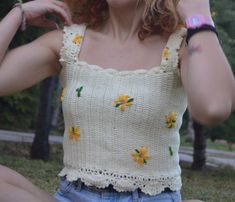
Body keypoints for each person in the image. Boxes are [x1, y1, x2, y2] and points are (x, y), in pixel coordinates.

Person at [0, 0, 234, 201]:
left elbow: (214, 107)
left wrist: (200, 19)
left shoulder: (181, 46)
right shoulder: (68, 42)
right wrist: (18, 14)